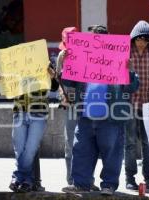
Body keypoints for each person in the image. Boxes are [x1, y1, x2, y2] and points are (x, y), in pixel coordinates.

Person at [61, 25, 139, 196]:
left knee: (112, 152)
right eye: (92, 39)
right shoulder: (82, 58)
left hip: (111, 117)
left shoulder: (120, 59)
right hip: (85, 116)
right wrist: (65, 63)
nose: (96, 43)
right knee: (81, 150)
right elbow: (68, 82)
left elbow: (132, 87)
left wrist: (130, 71)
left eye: (100, 39)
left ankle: (109, 185)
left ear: (108, 40)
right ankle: (81, 183)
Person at [0, 64, 58, 193]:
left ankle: (18, 177)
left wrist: (53, 77)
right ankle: (27, 181)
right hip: (20, 112)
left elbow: (55, 87)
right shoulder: (13, 62)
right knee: (19, 149)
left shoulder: (45, 63)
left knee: (30, 150)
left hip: (39, 114)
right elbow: (5, 90)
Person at [56, 26, 99, 191]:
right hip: (70, 105)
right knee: (70, 144)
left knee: (88, 143)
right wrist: (62, 61)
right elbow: (58, 79)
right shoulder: (62, 55)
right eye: (68, 38)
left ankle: (88, 179)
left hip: (86, 103)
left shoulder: (87, 52)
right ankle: (72, 179)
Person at [124, 20, 149, 191]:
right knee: (130, 142)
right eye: (139, 38)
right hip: (129, 103)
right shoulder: (125, 50)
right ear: (133, 38)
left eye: (146, 39)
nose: (142, 42)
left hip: (147, 102)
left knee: (148, 142)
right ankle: (129, 178)